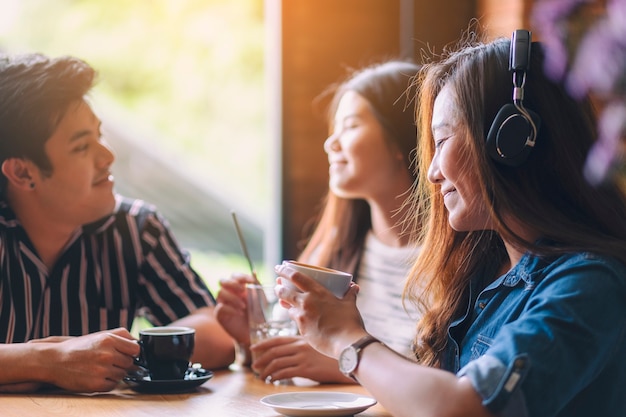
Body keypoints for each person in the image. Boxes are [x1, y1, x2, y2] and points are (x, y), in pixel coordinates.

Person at [275, 30, 626, 417]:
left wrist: (349, 341)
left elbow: (463, 408)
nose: (431, 173)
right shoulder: (482, 271)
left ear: (510, 139)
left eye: (442, 142)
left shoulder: (590, 285)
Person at [0, 53, 234, 393]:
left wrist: (116, 355)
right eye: (82, 147)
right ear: (23, 172)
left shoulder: (137, 230)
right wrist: (49, 360)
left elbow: (215, 331)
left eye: (99, 135)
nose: (108, 156)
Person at [215, 60, 424, 383]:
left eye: (351, 126)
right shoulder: (337, 248)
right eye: (333, 130)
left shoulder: (458, 262)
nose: (331, 143)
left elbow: (455, 382)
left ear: (403, 138)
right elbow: (293, 362)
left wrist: (348, 362)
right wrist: (253, 335)